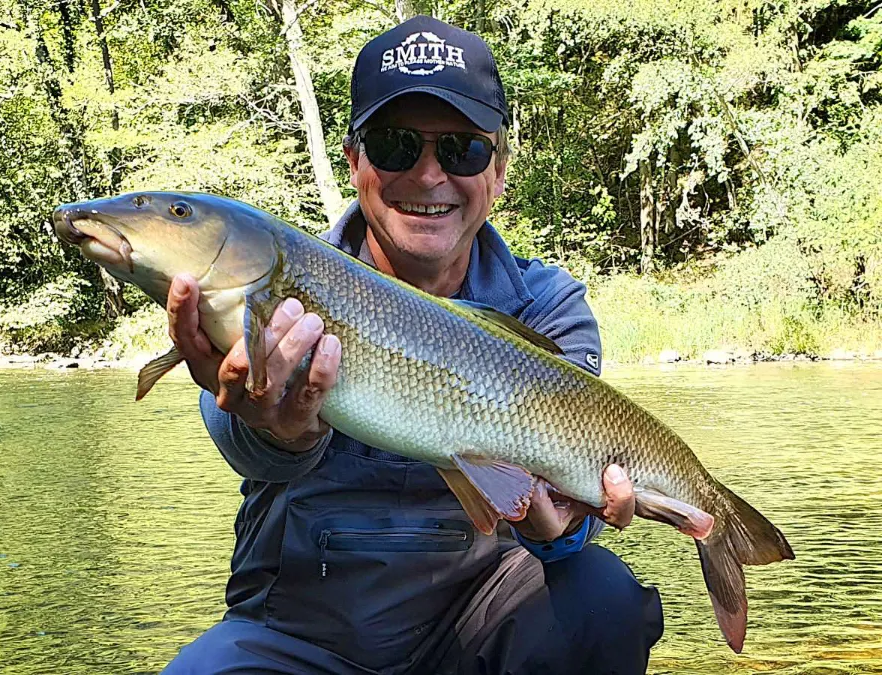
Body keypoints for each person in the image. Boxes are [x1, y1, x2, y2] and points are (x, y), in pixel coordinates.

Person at [162, 15, 663, 675]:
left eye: (462, 151)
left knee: (602, 598)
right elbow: (234, 433)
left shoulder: (547, 310)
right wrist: (280, 433)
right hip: (295, 639)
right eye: (396, 145)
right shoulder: (274, 278)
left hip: (478, 622)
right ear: (355, 162)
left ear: (500, 170)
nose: (428, 176)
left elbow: (580, 509)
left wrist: (564, 530)